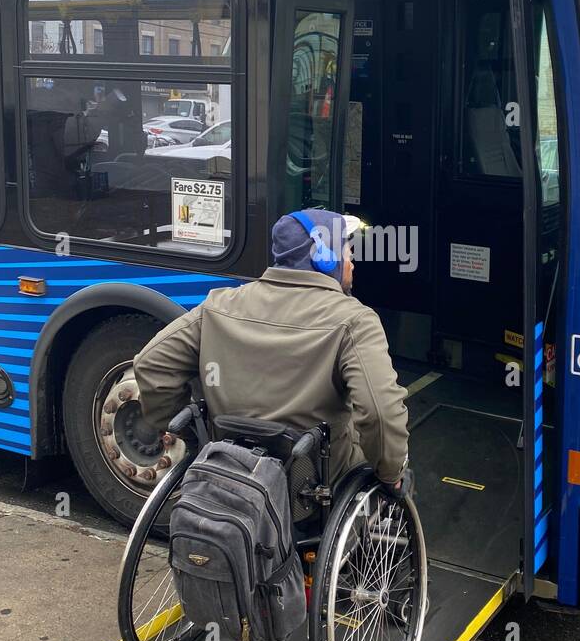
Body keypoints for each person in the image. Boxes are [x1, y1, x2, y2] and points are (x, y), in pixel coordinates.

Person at [133, 209, 409, 487]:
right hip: (309, 486)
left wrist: (195, 438)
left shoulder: (217, 305)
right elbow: (379, 416)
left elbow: (150, 364)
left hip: (226, 465)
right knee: (392, 469)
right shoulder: (355, 321)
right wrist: (391, 475)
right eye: (347, 252)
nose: (352, 263)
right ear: (323, 258)